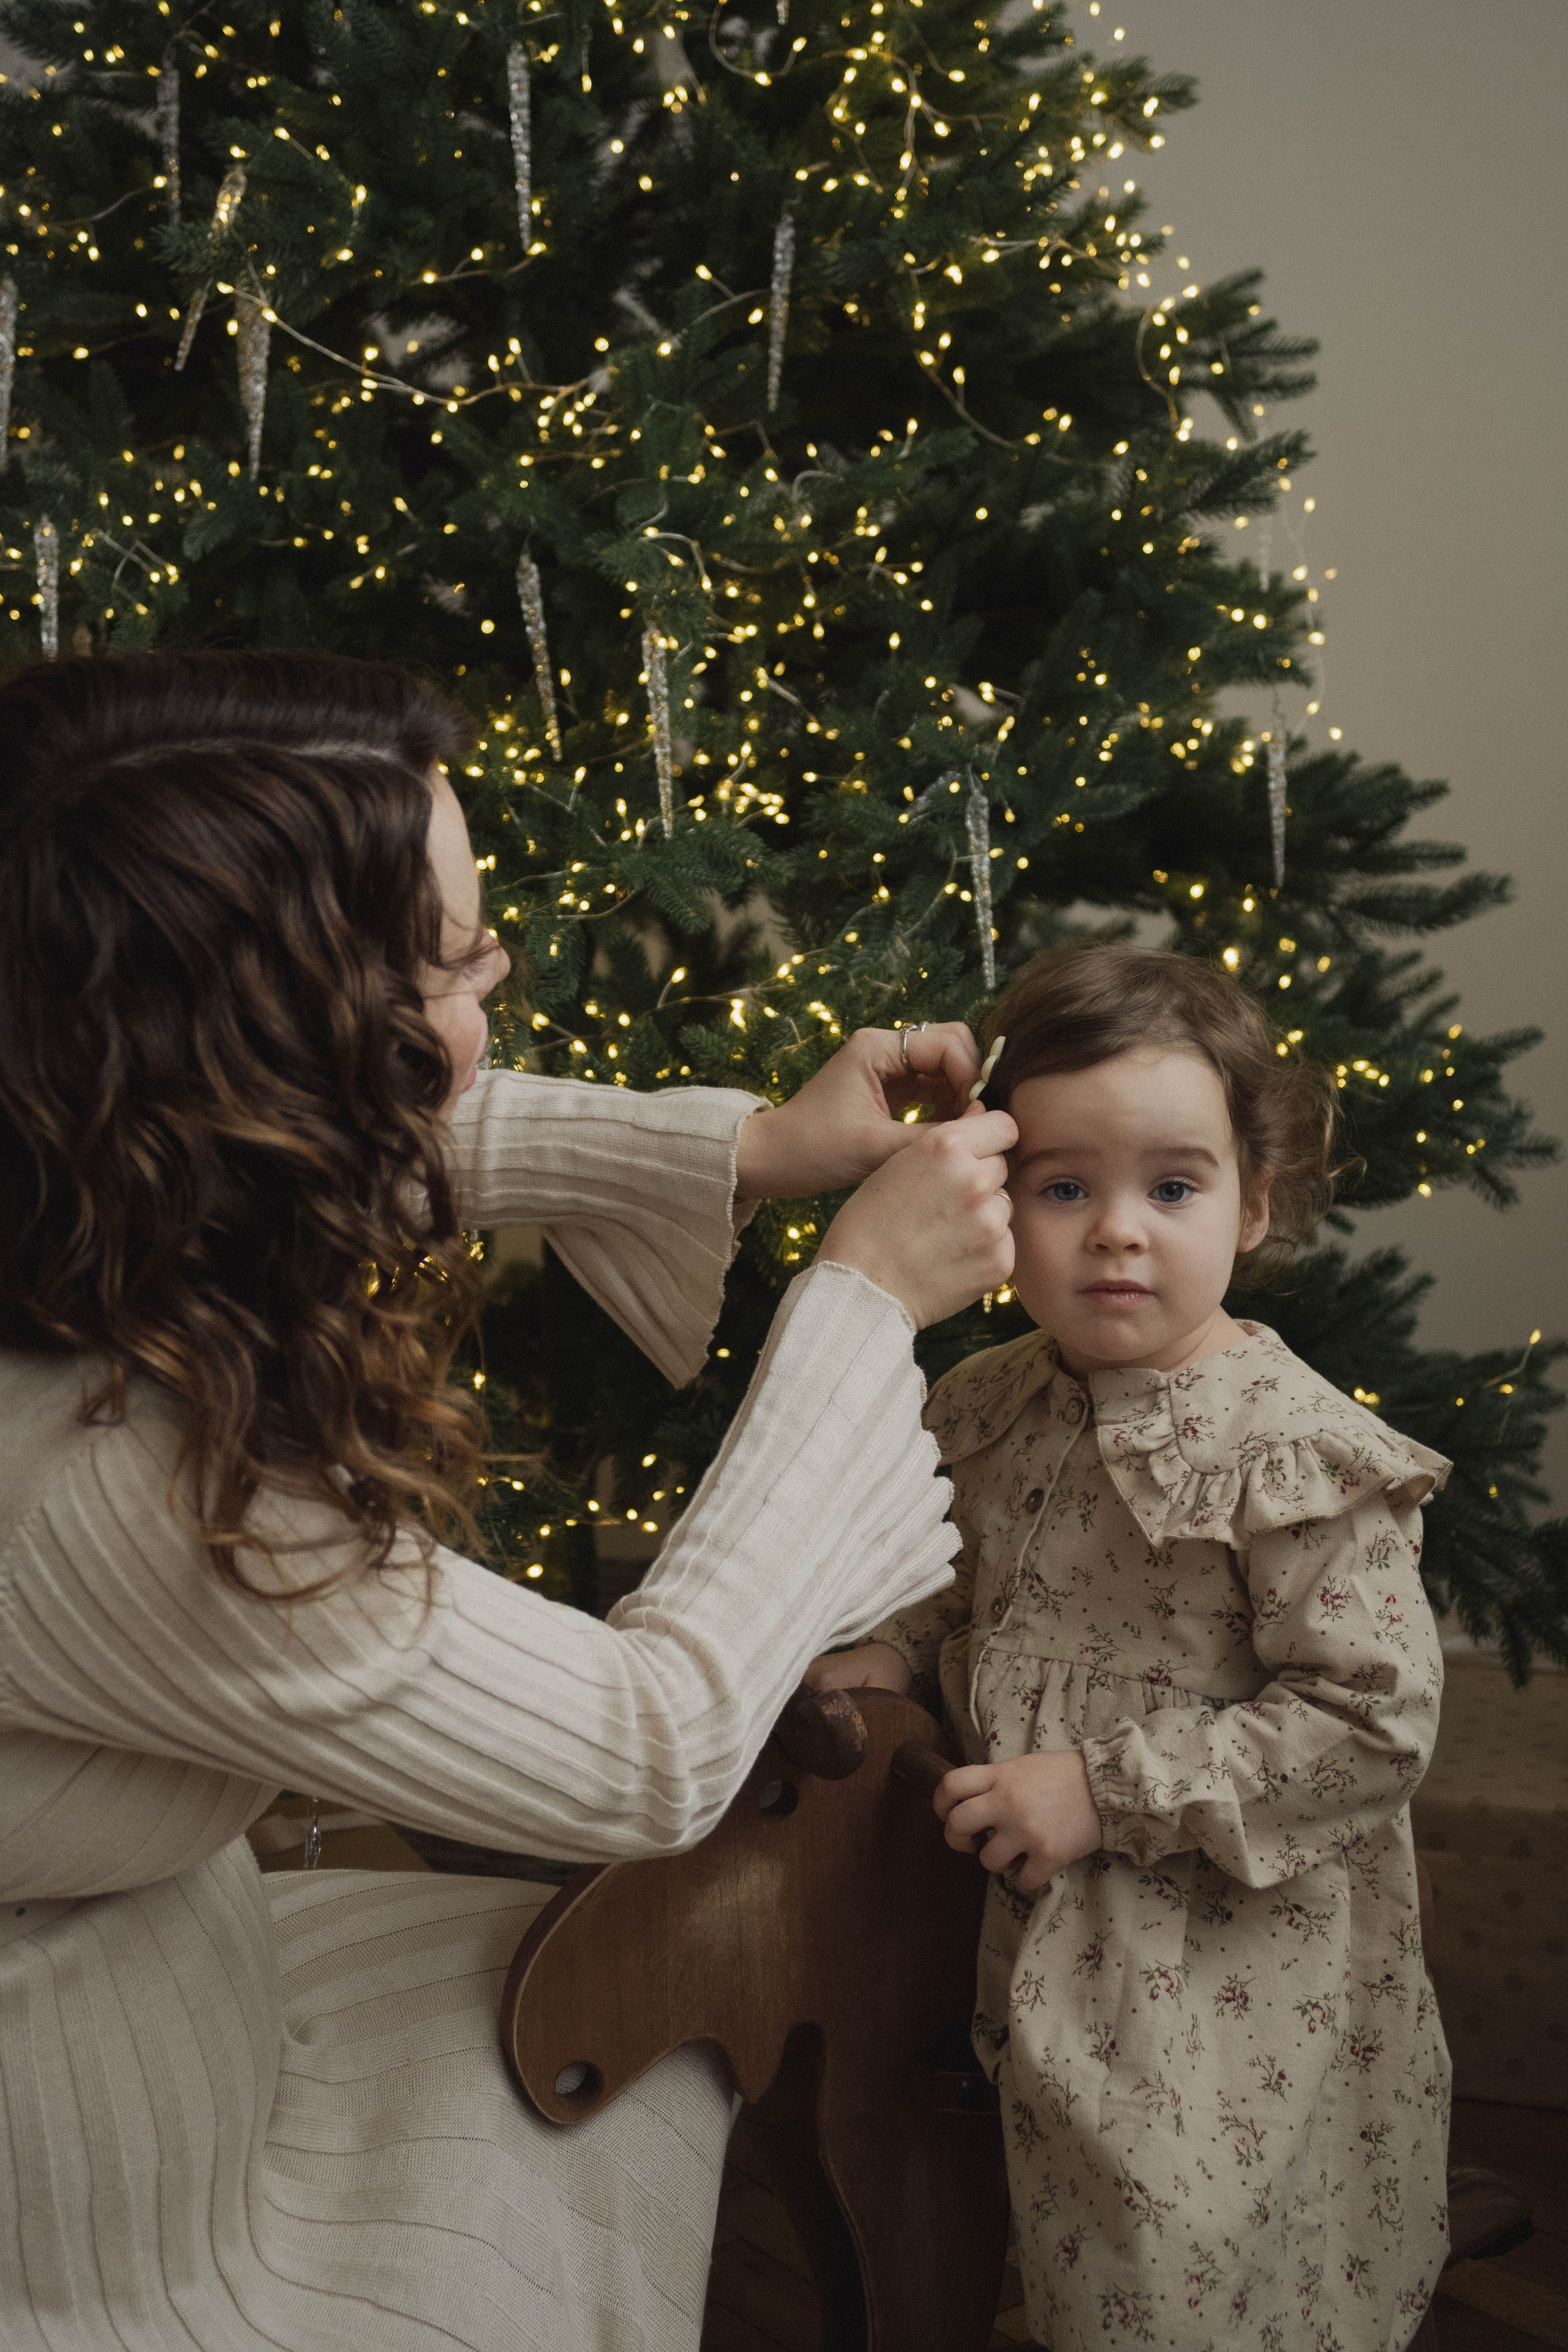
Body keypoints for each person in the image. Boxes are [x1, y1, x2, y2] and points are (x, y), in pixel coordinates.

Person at [0, 648, 1017, 2352]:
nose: (494, 999)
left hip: (181, 1995)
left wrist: (754, 1147)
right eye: (456, 969)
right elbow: (646, 1746)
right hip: (101, 2214)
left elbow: (364, 1135)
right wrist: (861, 1302)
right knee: (633, 2005)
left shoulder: (70, 1158)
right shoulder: (129, 1489)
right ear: (288, 1048)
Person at [810, 946, 1453, 2352]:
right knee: (1028, 2222)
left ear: (1252, 1201)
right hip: (1011, 1920)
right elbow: (963, 1587)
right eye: (1062, 1189)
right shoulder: (986, 1401)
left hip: (1212, 1960)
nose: (1116, 1231)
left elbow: (1369, 1722)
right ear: (995, 1208)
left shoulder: (1288, 1452)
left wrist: (1106, 1789)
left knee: (1177, 2254)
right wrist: (893, 1652)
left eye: (1171, 1187)